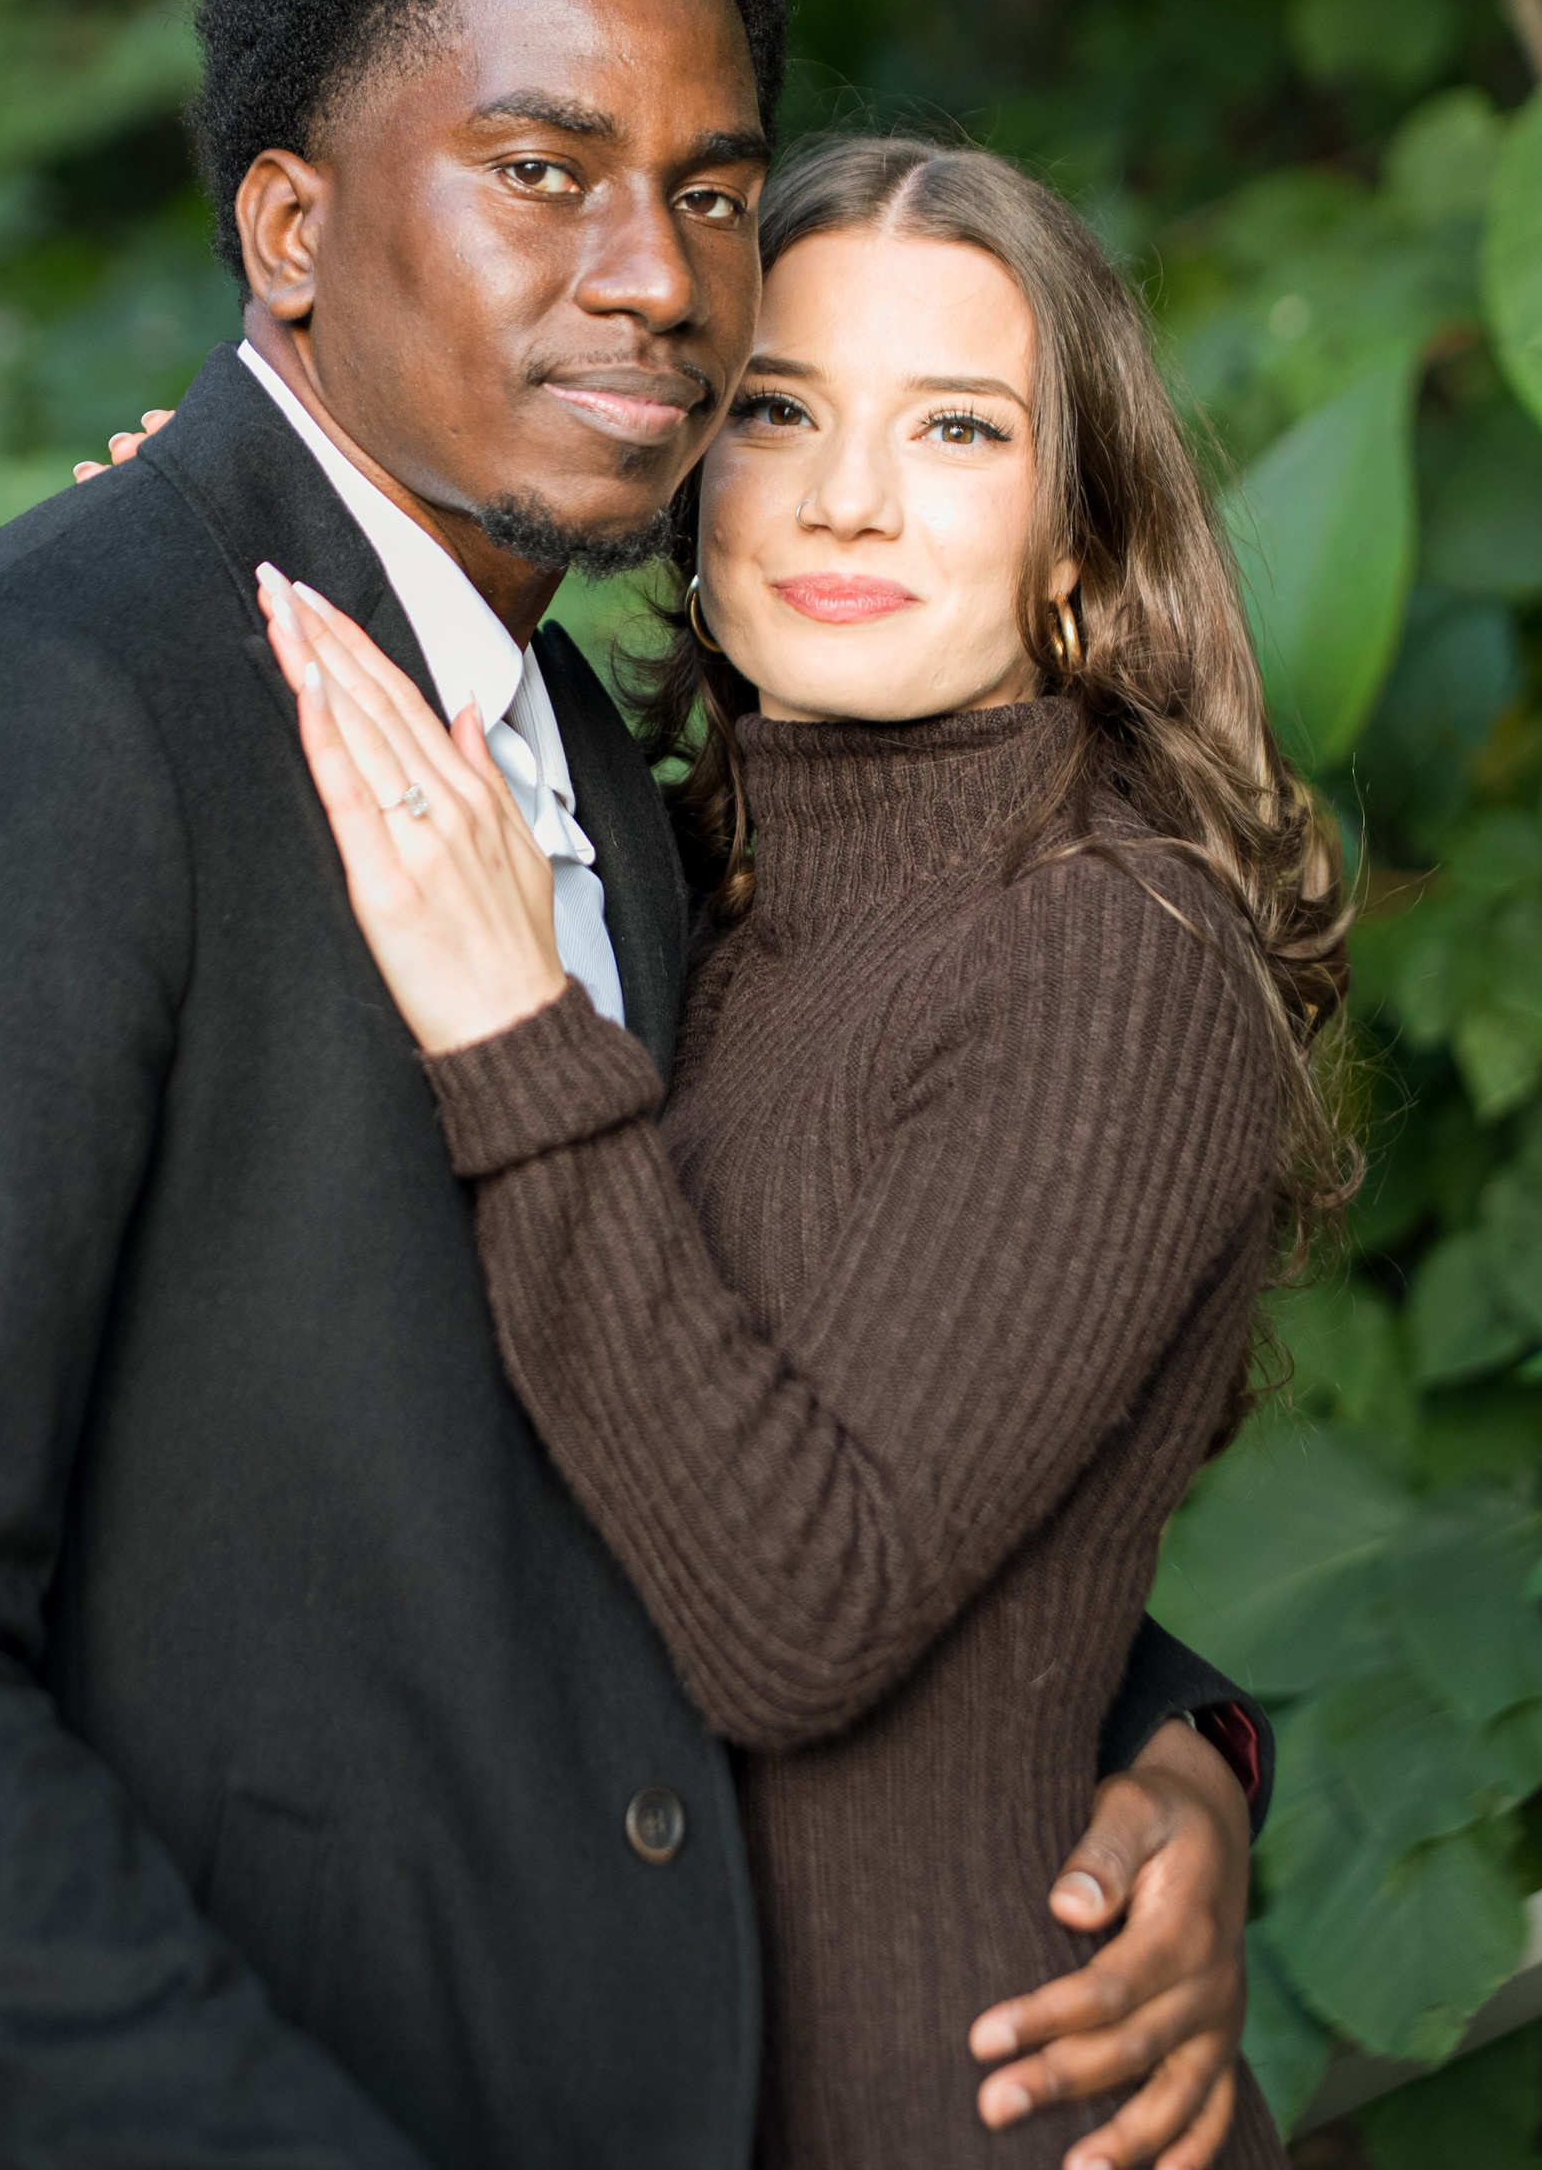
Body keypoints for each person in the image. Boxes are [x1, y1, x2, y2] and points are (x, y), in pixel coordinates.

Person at [0, 0, 1263, 2170]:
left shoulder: (603, 764)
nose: (656, 280)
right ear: (290, 233)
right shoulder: (20, 727)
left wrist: (1164, 1742)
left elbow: (703, 1406)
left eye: (711, 194)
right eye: (542, 172)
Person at [251, 129, 1351, 2168]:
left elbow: (797, 1612)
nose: (849, 495)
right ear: (690, 474)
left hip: (951, 2102)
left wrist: (515, 1032)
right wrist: (203, 554)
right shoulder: (684, 886)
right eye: (777, 409)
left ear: (1079, 542)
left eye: (959, 427)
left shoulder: (1113, 956)